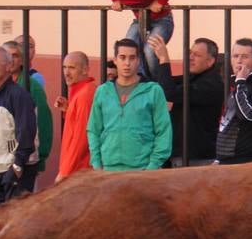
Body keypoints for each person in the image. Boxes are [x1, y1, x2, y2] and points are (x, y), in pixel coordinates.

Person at [86, 39, 171, 172]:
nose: (127, 63)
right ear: (115, 60)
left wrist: (152, 167)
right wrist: (97, 164)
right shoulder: (103, 91)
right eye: (122, 57)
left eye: (132, 58)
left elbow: (164, 131)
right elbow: (93, 129)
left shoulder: (153, 91)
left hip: (142, 170)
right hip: (108, 169)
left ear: (138, 61)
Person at [0, 46, 39, 210]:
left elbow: (26, 132)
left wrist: (16, 166)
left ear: (8, 66)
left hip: (13, 174)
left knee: (14, 227)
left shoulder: (19, 96)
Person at [149, 35, 225, 165]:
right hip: (180, 155)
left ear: (210, 61)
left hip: (196, 159)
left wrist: (164, 59)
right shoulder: (193, 77)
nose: (190, 57)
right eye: (190, 53)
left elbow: (168, 92)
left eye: (197, 55)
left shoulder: (212, 84)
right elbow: (162, 83)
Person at [98, 0, 174, 79]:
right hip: (140, 20)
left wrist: (159, 2)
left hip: (161, 20)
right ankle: (140, 79)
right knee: (128, 46)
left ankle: (159, 83)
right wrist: (115, 0)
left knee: (150, 50)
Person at [3, 38, 53, 181]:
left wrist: (40, 157)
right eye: (7, 55)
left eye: (15, 56)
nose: (11, 60)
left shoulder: (32, 86)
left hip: (25, 161)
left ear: (22, 60)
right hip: (0, 160)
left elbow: (43, 121)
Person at [215, 38, 252, 165]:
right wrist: (218, 158)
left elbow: (248, 116)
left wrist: (240, 83)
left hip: (242, 160)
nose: (239, 61)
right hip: (224, 158)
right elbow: (226, 121)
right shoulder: (232, 81)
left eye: (244, 57)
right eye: (235, 56)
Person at [53, 52, 97, 182]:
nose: (66, 72)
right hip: (78, 170)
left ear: (85, 70)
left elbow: (81, 138)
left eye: (72, 68)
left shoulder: (84, 94)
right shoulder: (82, 91)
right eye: (64, 67)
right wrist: (68, 110)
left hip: (79, 172)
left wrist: (64, 172)